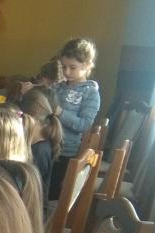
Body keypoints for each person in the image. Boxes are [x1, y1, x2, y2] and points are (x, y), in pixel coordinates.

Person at [50, 38, 101, 199]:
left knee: (50, 191)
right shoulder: (58, 86)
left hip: (64, 151)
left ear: (86, 66)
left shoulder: (90, 93)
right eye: (63, 67)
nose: (66, 72)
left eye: (73, 67)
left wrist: (60, 112)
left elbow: (84, 125)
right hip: (46, 143)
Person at [17, 88, 64, 202]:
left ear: (29, 119)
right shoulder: (42, 141)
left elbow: (25, 187)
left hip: (33, 208)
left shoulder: (39, 150)